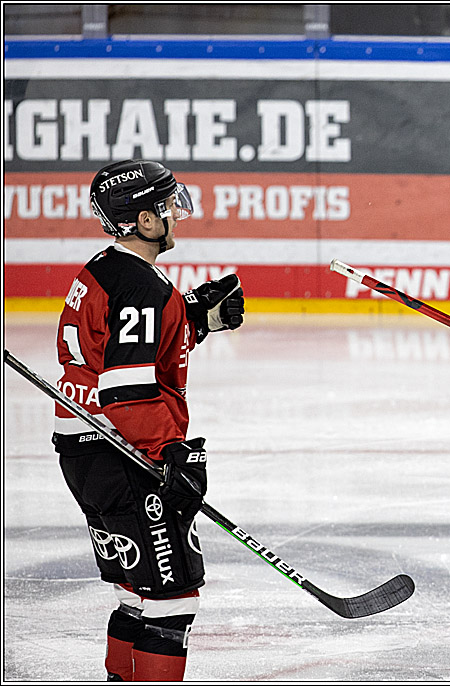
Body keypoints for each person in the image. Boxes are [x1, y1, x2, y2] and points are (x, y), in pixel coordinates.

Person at [53, 159, 245, 680]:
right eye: (168, 206)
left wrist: (190, 319)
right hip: (125, 453)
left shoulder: (106, 270)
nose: (177, 216)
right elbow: (127, 390)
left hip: (88, 452)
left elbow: (119, 351)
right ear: (143, 220)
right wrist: (171, 454)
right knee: (173, 600)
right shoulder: (141, 288)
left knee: (137, 593)